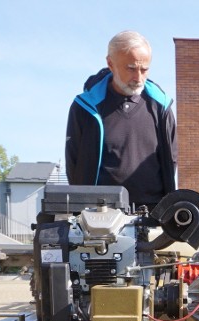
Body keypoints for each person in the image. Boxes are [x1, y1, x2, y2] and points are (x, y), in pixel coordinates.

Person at [66, 31, 177, 208]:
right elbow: (74, 163)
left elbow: (171, 159)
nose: (138, 78)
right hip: (100, 215)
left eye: (144, 69)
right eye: (131, 68)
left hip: (154, 215)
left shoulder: (161, 107)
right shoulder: (84, 107)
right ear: (110, 63)